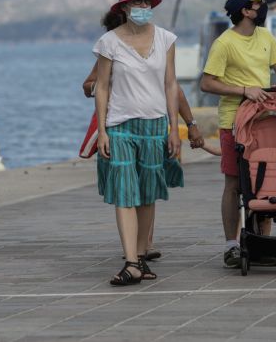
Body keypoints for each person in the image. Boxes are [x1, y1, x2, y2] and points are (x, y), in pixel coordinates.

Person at [94, 0, 181, 286]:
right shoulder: (109, 43)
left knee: (147, 194)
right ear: (124, 8)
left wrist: (175, 128)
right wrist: (102, 131)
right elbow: (101, 87)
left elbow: (171, 84)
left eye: (147, 2)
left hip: (155, 125)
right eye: (136, 2)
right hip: (120, 125)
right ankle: (131, 262)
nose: (143, 6)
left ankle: (141, 257)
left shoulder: (166, 39)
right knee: (124, 192)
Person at [200, 0, 276, 269]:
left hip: (265, 120)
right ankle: (231, 245)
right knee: (234, 183)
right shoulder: (224, 44)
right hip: (234, 121)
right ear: (245, 11)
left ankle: (260, 243)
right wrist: (244, 90)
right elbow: (207, 83)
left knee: (265, 178)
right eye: (258, 3)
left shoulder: (265, 36)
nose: (263, 7)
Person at [82, 60, 205, 261]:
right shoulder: (111, 51)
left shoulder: (156, 51)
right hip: (119, 127)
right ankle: (136, 250)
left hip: (151, 128)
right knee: (127, 187)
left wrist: (190, 124)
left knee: (147, 185)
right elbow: (88, 86)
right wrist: (104, 87)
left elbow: (174, 89)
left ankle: (145, 244)